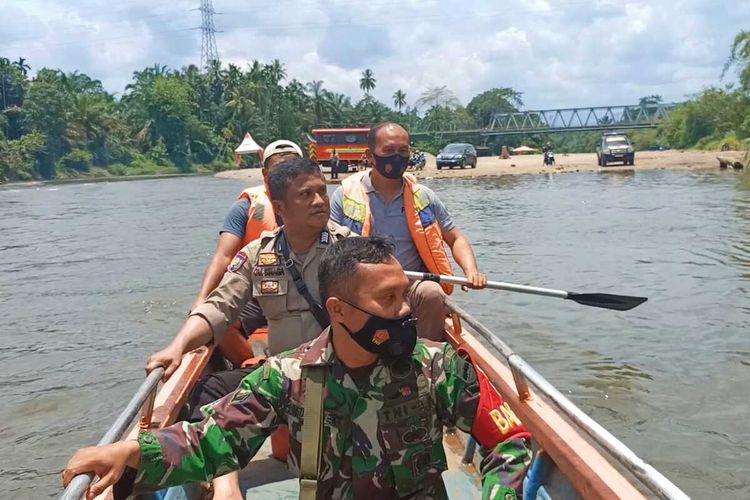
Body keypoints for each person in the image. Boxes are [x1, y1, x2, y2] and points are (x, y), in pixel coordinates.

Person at [63, 237, 532, 499]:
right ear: (340, 310)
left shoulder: (437, 366)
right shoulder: (286, 377)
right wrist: (130, 453)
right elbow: (212, 441)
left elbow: (509, 440)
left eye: (403, 297)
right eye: (387, 300)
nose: (403, 312)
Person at [145, 158, 352, 498]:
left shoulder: (349, 249)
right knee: (210, 391)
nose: (319, 201)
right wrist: (176, 348)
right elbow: (217, 308)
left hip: (338, 371)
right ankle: (225, 477)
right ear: (280, 207)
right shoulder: (257, 255)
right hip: (280, 378)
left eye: (321, 192)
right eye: (307, 195)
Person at [330, 122, 487, 341]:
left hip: (411, 283)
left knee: (432, 293)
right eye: (388, 151)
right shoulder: (344, 196)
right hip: (366, 286)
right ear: (370, 155)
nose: (397, 157)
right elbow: (331, 250)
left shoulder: (424, 196)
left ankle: (426, 356)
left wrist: (471, 271)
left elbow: (455, 237)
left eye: (403, 151)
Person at [193, 139, 303, 366]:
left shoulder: (313, 201)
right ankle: (254, 366)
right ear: (265, 174)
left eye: (292, 170)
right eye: (278, 170)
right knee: (216, 322)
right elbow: (223, 256)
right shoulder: (245, 208)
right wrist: (202, 298)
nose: (286, 177)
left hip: (301, 287)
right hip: (258, 288)